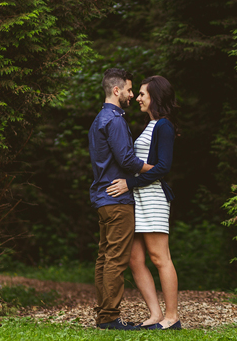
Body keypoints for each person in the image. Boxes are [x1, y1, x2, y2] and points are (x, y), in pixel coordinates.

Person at [107, 75, 182, 330]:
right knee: (134, 259)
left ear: (155, 97)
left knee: (160, 257)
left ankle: (172, 318)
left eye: (142, 94)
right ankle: (155, 315)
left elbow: (163, 167)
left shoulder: (164, 125)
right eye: (137, 93)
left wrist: (129, 183)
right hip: (138, 198)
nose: (137, 98)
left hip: (152, 197)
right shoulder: (151, 125)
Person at [88, 68, 153, 330]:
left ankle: (105, 314)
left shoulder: (98, 119)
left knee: (105, 258)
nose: (131, 95)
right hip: (116, 199)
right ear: (116, 91)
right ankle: (109, 317)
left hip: (103, 197)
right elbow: (126, 160)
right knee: (115, 259)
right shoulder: (114, 120)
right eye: (128, 90)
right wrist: (156, 168)